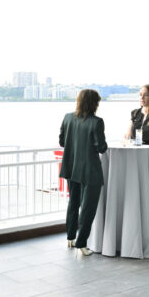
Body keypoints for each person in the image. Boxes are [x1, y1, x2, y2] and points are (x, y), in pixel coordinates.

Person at [59, 89, 108, 258]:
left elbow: (61, 141)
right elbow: (101, 147)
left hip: (71, 167)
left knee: (73, 203)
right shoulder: (96, 122)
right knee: (88, 208)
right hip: (90, 170)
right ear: (94, 103)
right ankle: (82, 244)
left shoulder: (67, 117)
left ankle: (71, 237)